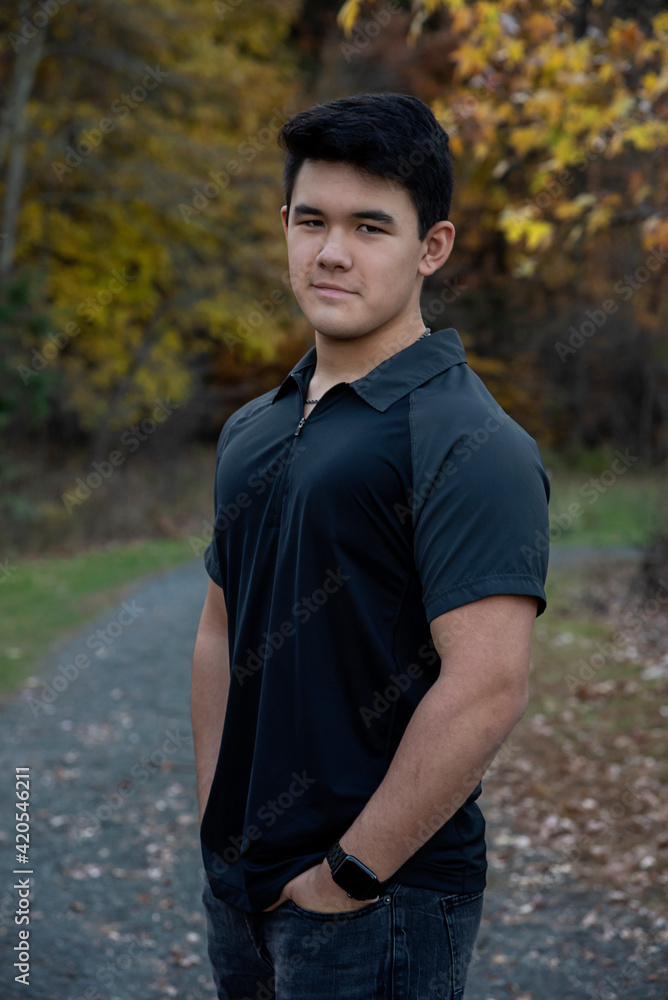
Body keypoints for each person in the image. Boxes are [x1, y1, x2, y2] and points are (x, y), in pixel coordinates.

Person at [191, 92, 550, 1000]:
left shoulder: (472, 443)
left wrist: (347, 876)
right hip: (243, 892)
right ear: (284, 226)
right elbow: (216, 633)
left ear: (432, 247)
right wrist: (217, 825)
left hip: (381, 903)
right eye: (311, 221)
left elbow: (488, 685)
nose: (332, 252)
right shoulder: (253, 428)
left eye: (370, 226)